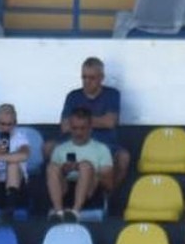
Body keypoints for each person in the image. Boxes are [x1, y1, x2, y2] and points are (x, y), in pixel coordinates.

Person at [55, 57, 130, 192]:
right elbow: (65, 126)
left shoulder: (112, 94)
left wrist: (80, 121)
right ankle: (63, 195)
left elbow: (110, 122)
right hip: (74, 143)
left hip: (105, 145)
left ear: (101, 77)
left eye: (91, 78)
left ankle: (108, 194)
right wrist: (97, 121)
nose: (87, 82)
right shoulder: (73, 96)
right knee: (49, 148)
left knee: (124, 157)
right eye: (84, 77)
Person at [46, 107, 113, 223]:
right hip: (65, 191)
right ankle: (58, 212)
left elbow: (109, 185)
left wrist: (86, 170)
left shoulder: (101, 149)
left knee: (85, 166)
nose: (78, 132)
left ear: (90, 128)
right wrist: (64, 170)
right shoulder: (60, 149)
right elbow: (53, 177)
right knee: (52, 168)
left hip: (90, 192)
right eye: (75, 128)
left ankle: (75, 212)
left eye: (83, 128)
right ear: (70, 128)